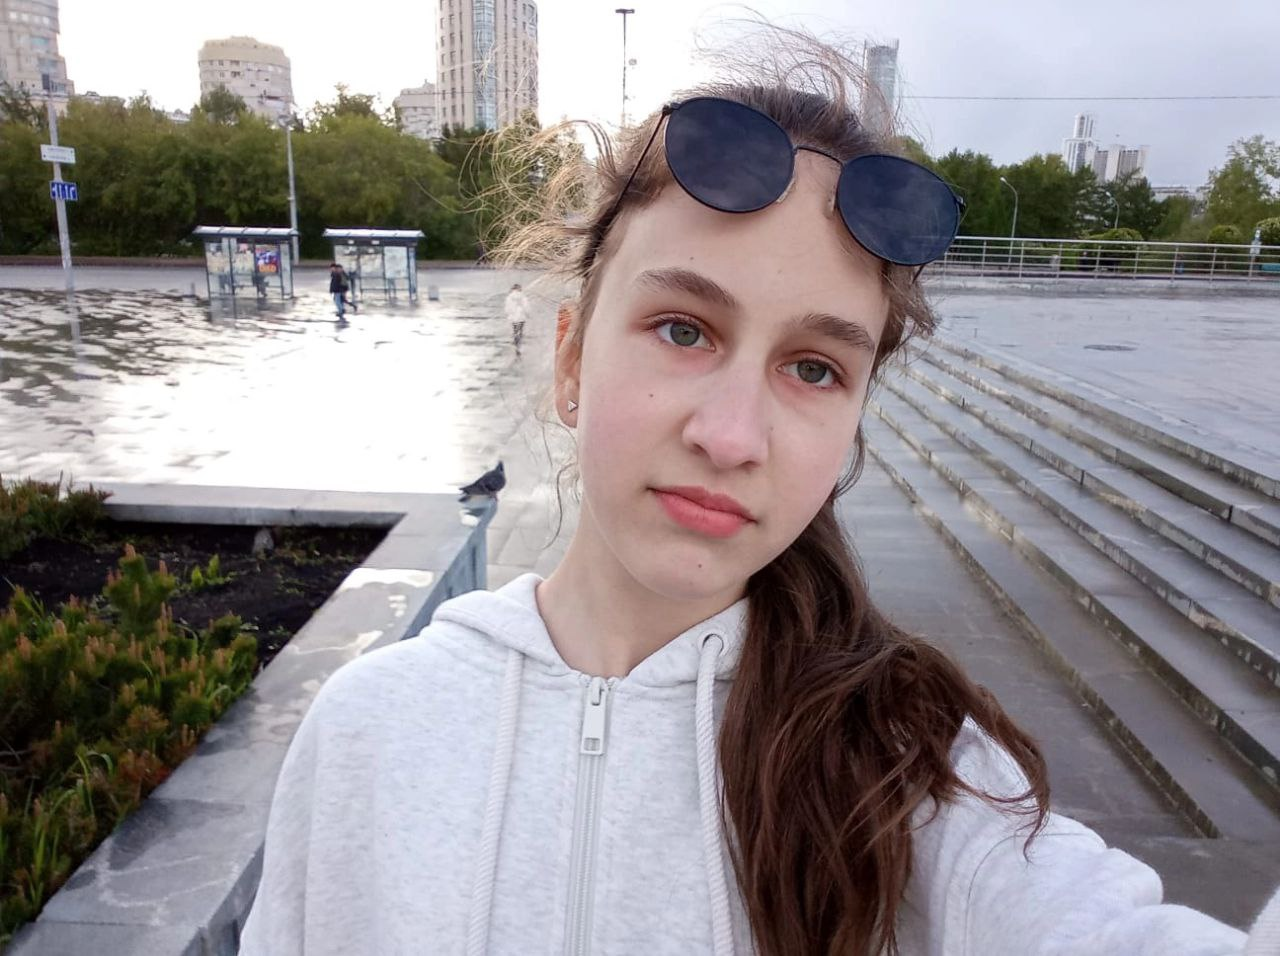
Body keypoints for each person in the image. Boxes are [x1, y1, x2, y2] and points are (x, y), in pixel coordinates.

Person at [239, 28, 1280, 956]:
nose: (732, 436)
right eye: (683, 329)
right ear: (570, 359)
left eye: (814, 368)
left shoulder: (909, 775)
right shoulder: (367, 734)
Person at [506, 282, 529, 355]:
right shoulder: (523, 296)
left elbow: (507, 309)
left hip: (514, 317)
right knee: (520, 331)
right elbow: (526, 307)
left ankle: (516, 345)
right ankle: (519, 345)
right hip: (521, 316)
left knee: (515, 331)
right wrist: (527, 314)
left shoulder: (509, 297)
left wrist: (510, 314)